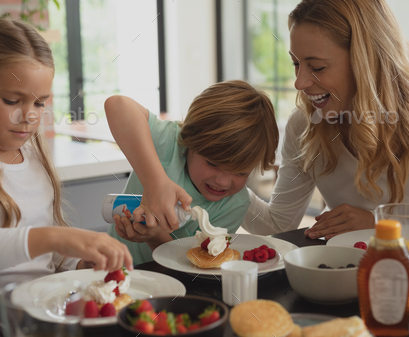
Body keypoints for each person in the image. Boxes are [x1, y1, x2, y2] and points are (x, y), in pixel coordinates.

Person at [242, 0, 409, 240]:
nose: (299, 82)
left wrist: (378, 225)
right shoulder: (305, 126)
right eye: (296, 63)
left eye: (317, 67)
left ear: (367, 62)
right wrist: (217, 178)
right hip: (340, 274)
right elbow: (279, 224)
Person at [0, 19, 132, 301]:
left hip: (32, 310)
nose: (30, 116)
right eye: (11, 100)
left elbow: (43, 258)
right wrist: (53, 237)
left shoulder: (33, 156)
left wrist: (79, 262)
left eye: (39, 102)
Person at [106, 80, 279, 265]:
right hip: (108, 269)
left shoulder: (236, 204)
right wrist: (156, 184)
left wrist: (155, 236)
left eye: (241, 173)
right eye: (213, 163)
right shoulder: (171, 144)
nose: (222, 181)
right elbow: (117, 105)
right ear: (189, 140)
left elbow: (195, 265)